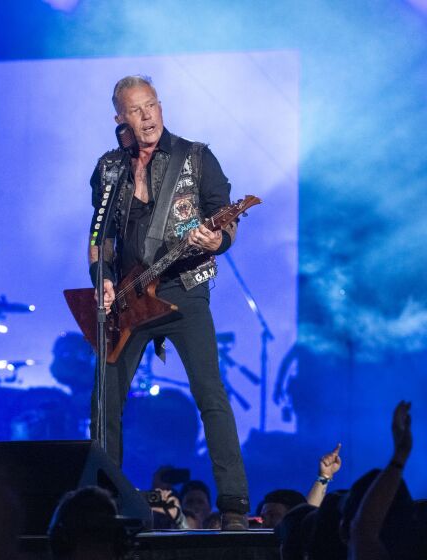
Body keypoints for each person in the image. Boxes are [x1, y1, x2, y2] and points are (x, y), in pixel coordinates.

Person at [87, 75, 249, 529]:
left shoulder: (195, 157)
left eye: (152, 105)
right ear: (120, 118)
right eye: (136, 110)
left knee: (211, 395)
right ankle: (103, 503)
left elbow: (227, 218)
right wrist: (101, 280)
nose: (147, 116)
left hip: (183, 292)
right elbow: (98, 238)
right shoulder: (108, 168)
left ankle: (234, 506)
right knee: (104, 401)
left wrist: (215, 238)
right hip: (129, 299)